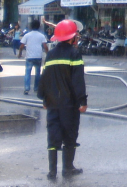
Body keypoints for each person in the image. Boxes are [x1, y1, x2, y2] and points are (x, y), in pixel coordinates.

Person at [38, 19, 87, 180]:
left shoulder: (51, 54)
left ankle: (52, 171)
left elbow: (44, 78)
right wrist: (82, 101)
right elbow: (77, 80)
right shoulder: (74, 54)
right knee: (70, 135)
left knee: (53, 135)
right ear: (72, 38)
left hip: (52, 103)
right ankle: (67, 169)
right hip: (69, 104)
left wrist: (44, 98)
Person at [18, 19, 49, 95]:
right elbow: (45, 46)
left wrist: (19, 54)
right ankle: (36, 88)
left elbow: (21, 46)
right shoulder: (41, 36)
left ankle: (26, 89)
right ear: (39, 26)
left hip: (29, 57)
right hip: (38, 56)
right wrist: (48, 54)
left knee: (27, 73)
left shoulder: (27, 35)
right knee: (37, 73)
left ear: (31, 26)